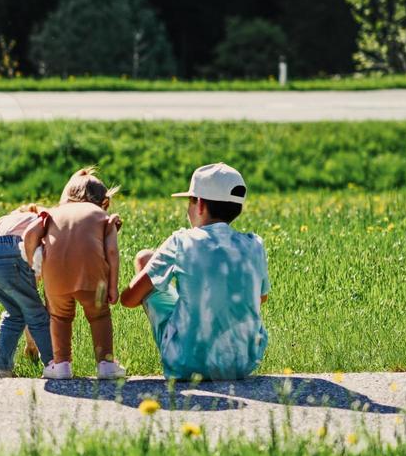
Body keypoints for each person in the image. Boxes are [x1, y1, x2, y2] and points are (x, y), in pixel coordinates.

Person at [120, 163, 270, 381]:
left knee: (145, 258)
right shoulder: (255, 244)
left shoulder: (181, 241)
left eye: (189, 201)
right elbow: (261, 297)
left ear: (199, 204)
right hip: (243, 362)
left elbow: (129, 299)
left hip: (186, 362)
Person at [38, 168, 126, 381]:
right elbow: (112, 253)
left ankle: (61, 365)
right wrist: (113, 287)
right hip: (92, 276)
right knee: (99, 315)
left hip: (56, 278)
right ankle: (105, 364)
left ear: (67, 196)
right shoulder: (103, 216)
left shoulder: (52, 213)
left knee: (59, 317)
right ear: (104, 202)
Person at [0, 204, 53, 378]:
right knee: (37, 313)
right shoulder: (41, 220)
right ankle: (54, 365)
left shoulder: (9, 219)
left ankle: (1, 367)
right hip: (9, 248)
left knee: (15, 312)